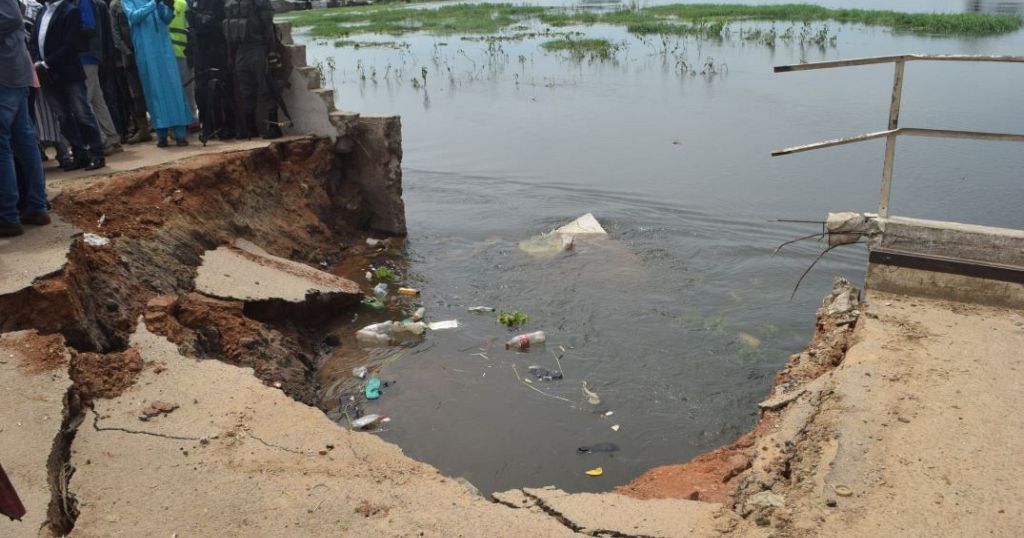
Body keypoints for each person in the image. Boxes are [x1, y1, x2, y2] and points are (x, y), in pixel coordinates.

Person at [30, 0, 106, 171]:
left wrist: (47, 62)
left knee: (82, 113)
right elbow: (34, 40)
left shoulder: (70, 11)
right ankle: (80, 153)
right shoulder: (42, 12)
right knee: (63, 117)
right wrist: (37, 61)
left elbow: (70, 44)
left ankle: (96, 153)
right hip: (48, 75)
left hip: (68, 72)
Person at [1, 0, 49, 237]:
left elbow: (11, 17)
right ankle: (35, 207)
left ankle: (8, 216)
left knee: (6, 145)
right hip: (15, 72)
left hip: (5, 75)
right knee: (24, 141)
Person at [122, 0, 191, 147]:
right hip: (146, 51)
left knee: (173, 89)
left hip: (165, 50)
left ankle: (180, 134)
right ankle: (162, 135)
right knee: (154, 90)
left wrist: (168, 6)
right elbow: (134, 17)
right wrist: (153, 3)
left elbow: (166, 19)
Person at [223, 0, 281, 139]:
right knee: (246, 91)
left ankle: (273, 126)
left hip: (258, 47)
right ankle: (250, 128)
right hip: (240, 49)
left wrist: (272, 52)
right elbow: (230, 30)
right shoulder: (230, 3)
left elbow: (269, 29)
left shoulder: (260, 2)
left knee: (266, 88)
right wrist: (230, 55)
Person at [78, 0, 122, 154]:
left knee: (85, 100)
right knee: (97, 99)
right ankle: (112, 137)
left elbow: (88, 26)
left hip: (85, 56)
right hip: (90, 55)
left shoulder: (82, 2)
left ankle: (102, 140)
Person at [187, 0, 233, 141]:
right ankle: (208, 127)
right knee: (201, 92)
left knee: (221, 90)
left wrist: (208, 23)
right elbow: (192, 27)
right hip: (200, 51)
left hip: (217, 49)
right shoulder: (194, 3)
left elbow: (226, 24)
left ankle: (226, 127)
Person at [109, 0, 151, 143]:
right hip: (130, 56)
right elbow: (115, 33)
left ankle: (161, 124)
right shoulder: (116, 5)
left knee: (152, 89)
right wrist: (127, 52)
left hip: (147, 51)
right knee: (136, 94)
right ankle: (143, 128)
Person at [169, 0, 195, 125]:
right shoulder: (184, 3)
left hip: (170, 53)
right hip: (183, 51)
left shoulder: (176, 4)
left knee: (177, 90)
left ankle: (184, 120)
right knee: (187, 89)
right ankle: (191, 119)